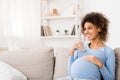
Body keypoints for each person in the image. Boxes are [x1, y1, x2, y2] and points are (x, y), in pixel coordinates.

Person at [57, 12, 115, 80]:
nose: (86, 32)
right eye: (84, 29)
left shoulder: (108, 52)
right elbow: (70, 73)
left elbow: (110, 79)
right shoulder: (81, 48)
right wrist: (71, 53)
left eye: (89, 28)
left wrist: (99, 63)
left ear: (99, 28)